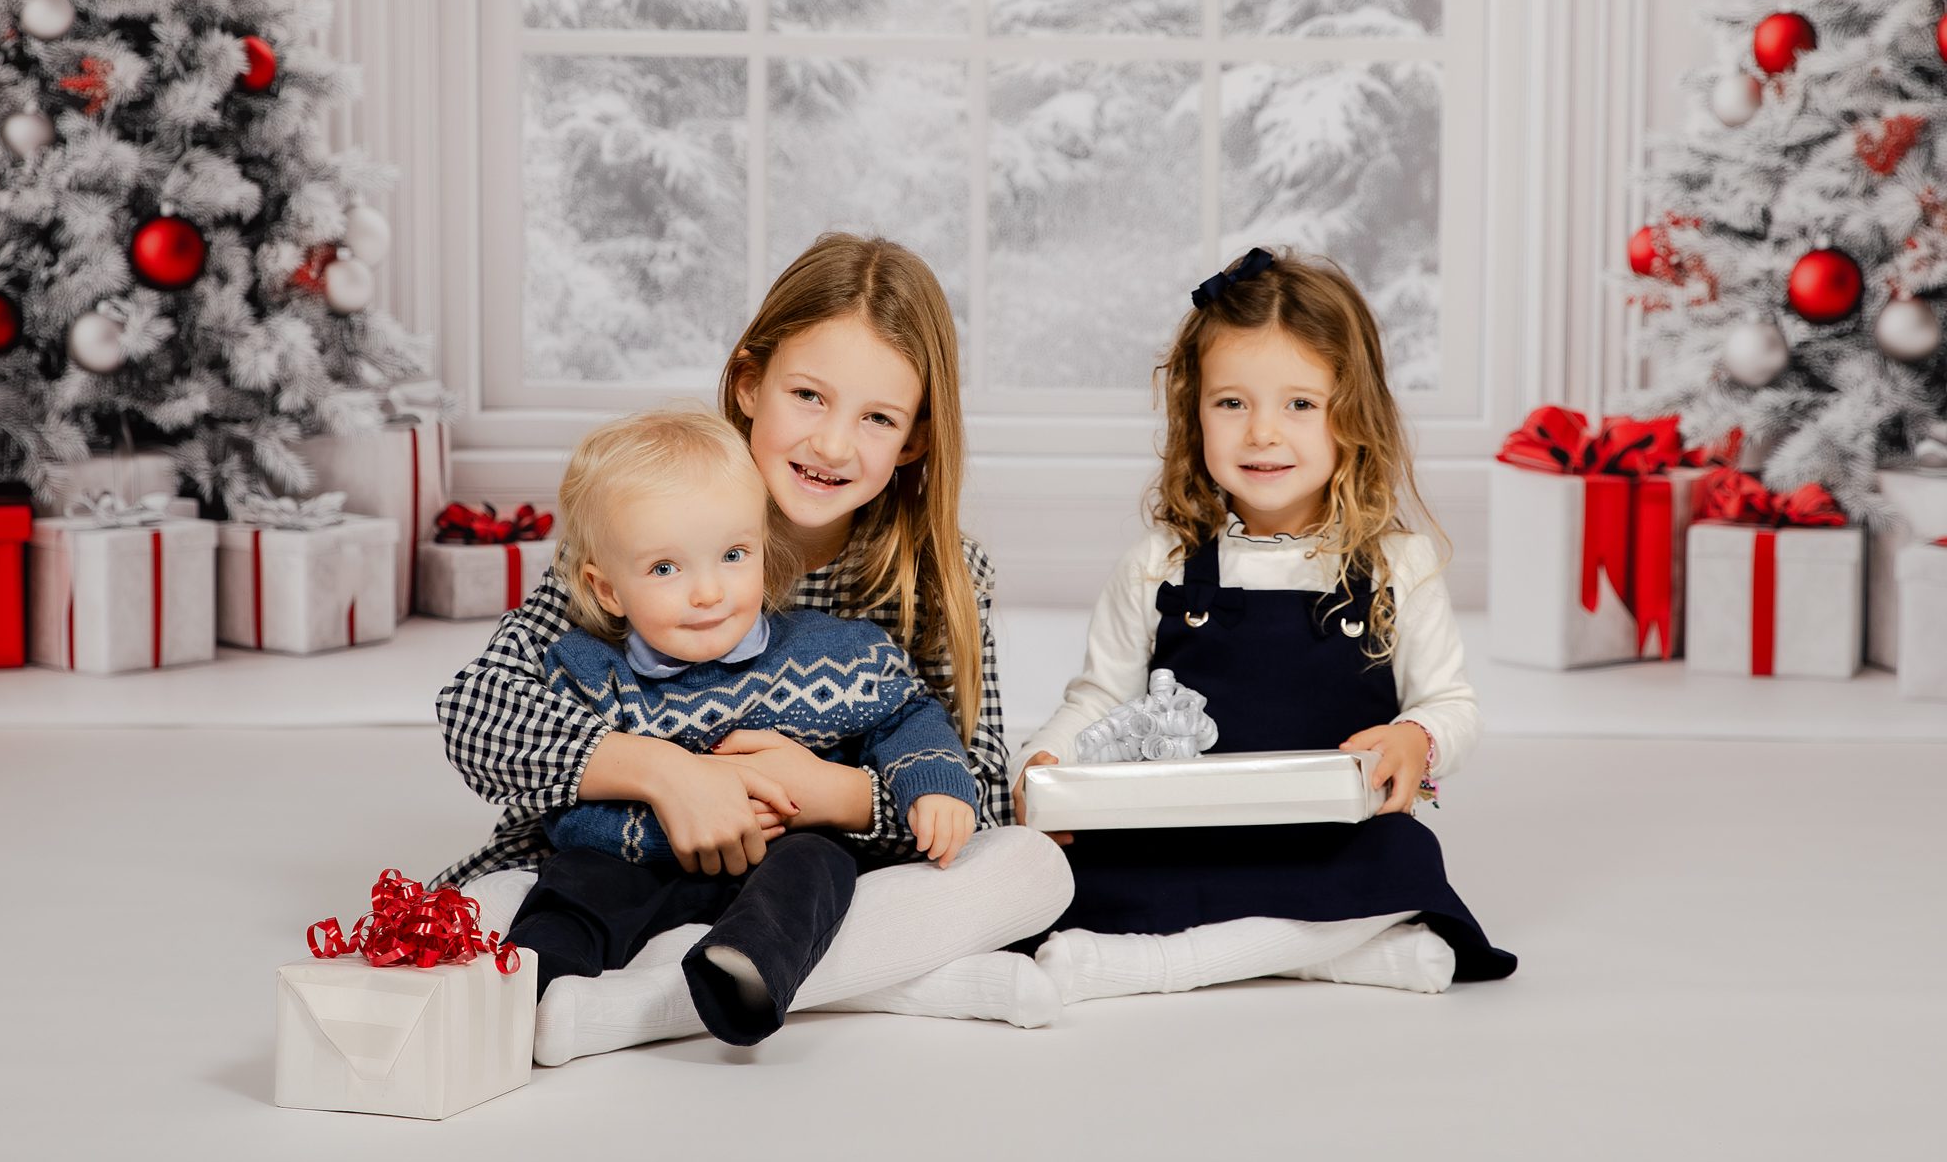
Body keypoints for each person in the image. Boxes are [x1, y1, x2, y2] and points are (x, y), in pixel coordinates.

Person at [436, 234, 1072, 1063]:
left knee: (1027, 865)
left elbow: (975, 790)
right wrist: (671, 775)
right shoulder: (652, 517)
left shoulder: (936, 574)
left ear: (914, 438)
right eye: (809, 395)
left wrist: (831, 794)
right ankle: (881, 984)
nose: (834, 444)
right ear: (749, 382)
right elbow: (478, 713)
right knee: (492, 907)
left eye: (877, 417)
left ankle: (651, 998)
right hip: (618, 858)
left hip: (815, 874)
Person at [1012, 246, 1516, 1001]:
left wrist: (1417, 738)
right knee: (1068, 876)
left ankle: (1164, 964)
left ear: (1355, 415)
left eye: (1300, 404)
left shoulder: (1396, 566)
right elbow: (1099, 699)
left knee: (1405, 859)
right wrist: (1045, 758)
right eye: (1232, 403)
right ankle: (1343, 951)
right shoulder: (1161, 564)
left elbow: (1450, 704)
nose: (1262, 433)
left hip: (1331, 840)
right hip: (1183, 837)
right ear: (1195, 413)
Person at [506, 409, 978, 1047]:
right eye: (666, 569)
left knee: (819, 864)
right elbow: (565, 804)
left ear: (765, 551)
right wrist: (661, 829)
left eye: (733, 556)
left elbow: (907, 713)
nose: (707, 592)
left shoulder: (835, 651)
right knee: (575, 879)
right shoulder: (589, 668)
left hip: (778, 847)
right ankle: (532, 990)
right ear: (607, 589)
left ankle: (745, 971)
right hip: (640, 860)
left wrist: (934, 783)